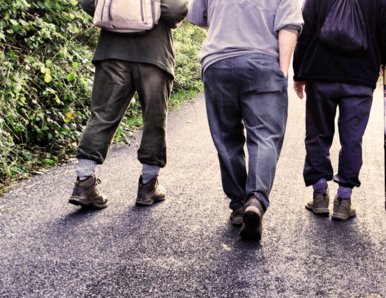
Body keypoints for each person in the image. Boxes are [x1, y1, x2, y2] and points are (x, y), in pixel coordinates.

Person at [186, 0, 303, 240]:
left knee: (226, 136)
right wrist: (281, 72)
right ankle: (256, 200)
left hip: (217, 63)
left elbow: (199, 18)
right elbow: (288, 27)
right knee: (264, 136)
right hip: (263, 63)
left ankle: (239, 204)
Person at [69, 0, 189, 209]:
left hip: (111, 50)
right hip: (154, 53)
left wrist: (118, 17)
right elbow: (175, 10)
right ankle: (148, 186)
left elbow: (88, 2)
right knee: (154, 119)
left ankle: (84, 183)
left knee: (102, 115)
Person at [293, 0, 386, 220]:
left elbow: (305, 27)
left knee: (317, 133)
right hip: (360, 76)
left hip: (320, 71)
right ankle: (344, 200)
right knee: (352, 138)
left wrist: (299, 71)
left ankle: (320, 195)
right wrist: (383, 61)